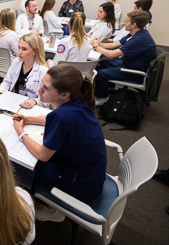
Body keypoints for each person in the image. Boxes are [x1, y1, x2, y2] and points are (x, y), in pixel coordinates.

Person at [13, 64, 107, 222]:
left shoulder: (63, 117)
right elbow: (52, 118)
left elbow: (43, 155)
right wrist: (28, 119)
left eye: (46, 88)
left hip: (79, 186)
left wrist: (20, 132)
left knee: (22, 169)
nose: (39, 90)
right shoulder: (78, 104)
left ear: (64, 94)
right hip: (92, 177)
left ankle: (53, 211)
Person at [92, 11, 156, 105]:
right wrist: (98, 44)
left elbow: (111, 54)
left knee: (101, 73)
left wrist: (96, 47)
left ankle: (102, 98)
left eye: (126, 21)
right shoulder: (136, 33)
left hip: (136, 72)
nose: (124, 23)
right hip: (131, 63)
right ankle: (109, 87)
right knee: (105, 62)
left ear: (134, 25)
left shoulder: (138, 40)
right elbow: (115, 45)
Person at [0, 33, 49, 109]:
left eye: (24, 49)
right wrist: (1, 90)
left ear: (35, 52)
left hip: (32, 108)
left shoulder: (43, 71)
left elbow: (47, 99)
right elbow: (7, 81)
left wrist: (35, 101)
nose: (19, 52)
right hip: (14, 103)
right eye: (19, 48)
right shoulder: (17, 61)